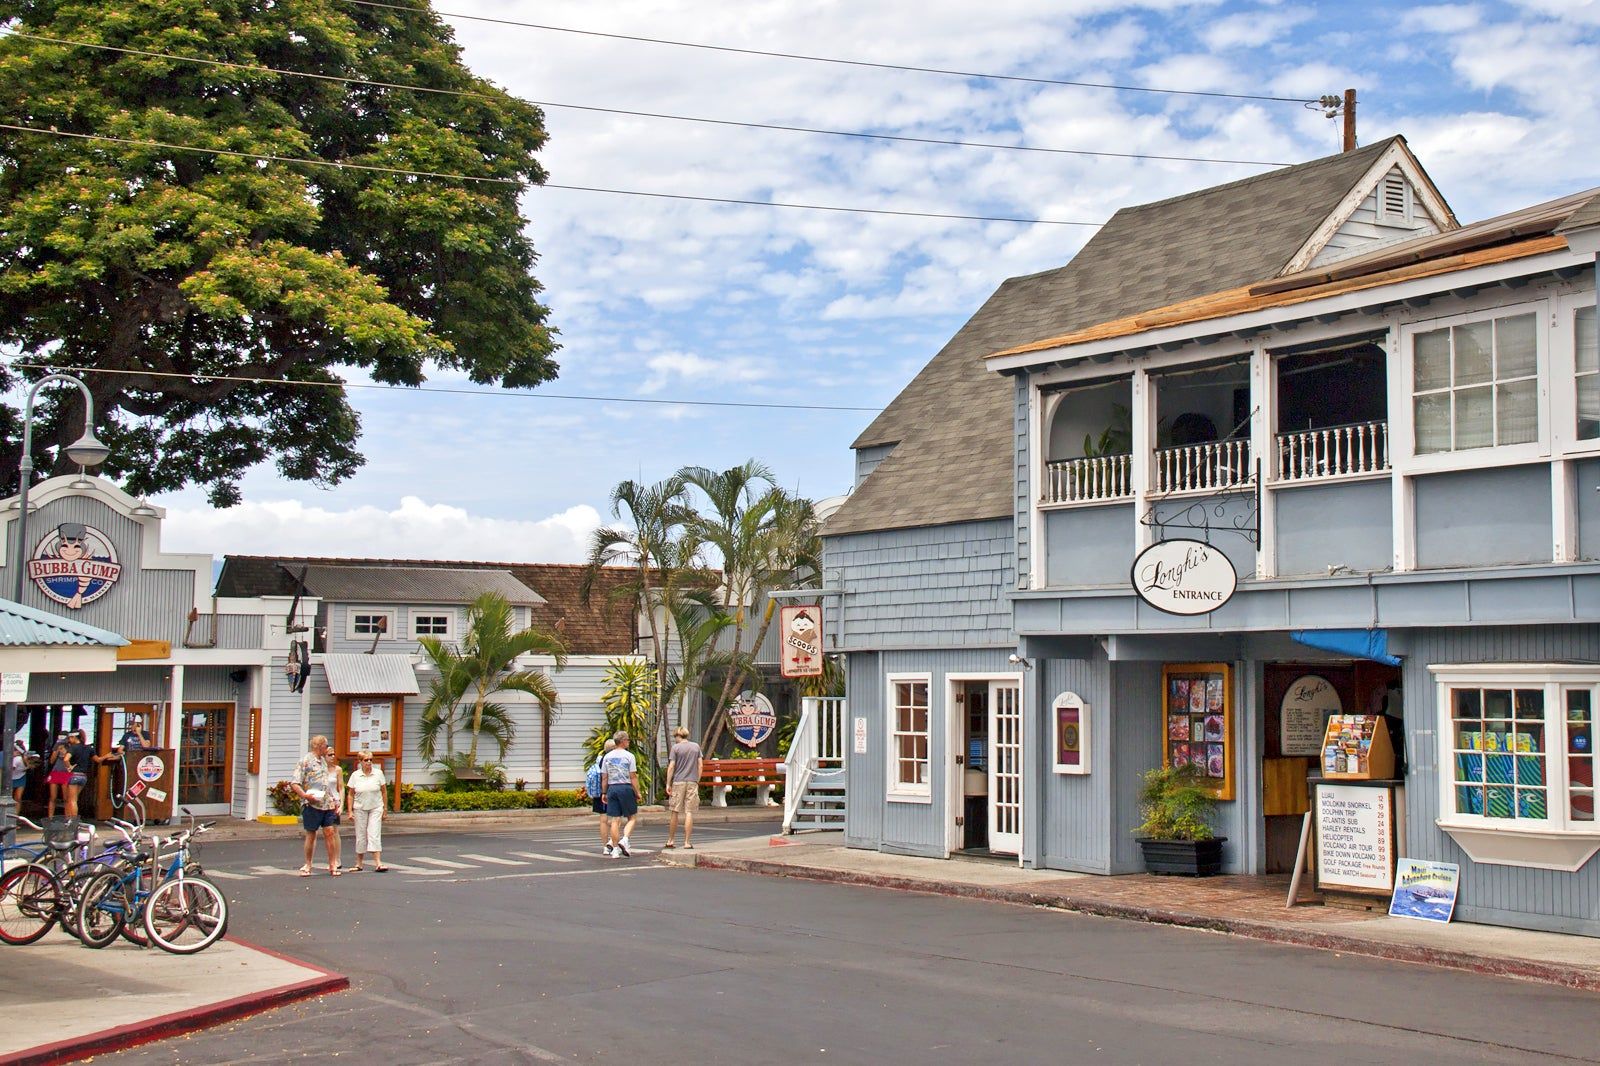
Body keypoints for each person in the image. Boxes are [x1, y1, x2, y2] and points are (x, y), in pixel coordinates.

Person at [291, 735, 343, 876]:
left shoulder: (324, 761)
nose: (327, 748)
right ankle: (308, 864)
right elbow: (295, 783)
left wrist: (335, 800)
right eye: (325, 746)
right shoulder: (305, 761)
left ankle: (332, 865)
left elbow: (326, 783)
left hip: (327, 802)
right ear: (319, 746)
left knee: (330, 832)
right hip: (312, 803)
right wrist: (305, 796)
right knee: (311, 833)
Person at [344, 750, 388, 872]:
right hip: (360, 808)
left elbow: (384, 791)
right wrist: (350, 811)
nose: (369, 762)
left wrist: (385, 809)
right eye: (366, 760)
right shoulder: (355, 775)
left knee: (374, 833)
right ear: (360, 761)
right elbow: (350, 794)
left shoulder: (378, 773)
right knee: (361, 835)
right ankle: (359, 863)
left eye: (370, 760)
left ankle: (378, 862)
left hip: (376, 807)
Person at [601, 730, 640, 858]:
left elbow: (604, 777)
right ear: (623, 741)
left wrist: (604, 792)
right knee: (632, 817)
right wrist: (637, 792)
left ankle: (615, 849)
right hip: (625, 787)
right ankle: (625, 839)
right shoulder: (629, 756)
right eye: (627, 740)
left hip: (612, 788)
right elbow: (633, 776)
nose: (628, 742)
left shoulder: (607, 757)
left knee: (614, 820)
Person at [663, 726, 702, 850]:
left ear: (677, 736)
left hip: (678, 781)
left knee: (675, 811)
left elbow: (671, 766)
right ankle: (687, 842)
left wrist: (668, 783)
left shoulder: (676, 748)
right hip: (692, 781)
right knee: (689, 811)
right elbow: (700, 765)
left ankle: (671, 840)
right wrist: (697, 780)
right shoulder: (696, 747)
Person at [588, 738, 616, 855]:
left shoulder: (599, 760)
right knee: (615, 819)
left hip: (599, 792)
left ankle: (605, 846)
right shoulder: (611, 760)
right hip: (609, 791)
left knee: (603, 820)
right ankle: (612, 844)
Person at [45, 736, 70, 818]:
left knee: (66, 798)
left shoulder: (70, 747)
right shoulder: (57, 746)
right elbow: (51, 761)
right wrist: (56, 751)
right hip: (56, 771)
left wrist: (65, 753)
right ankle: (50, 817)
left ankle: (67, 818)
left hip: (66, 772)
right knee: (53, 797)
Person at [10, 739, 27, 809]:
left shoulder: (22, 758)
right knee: (10, 797)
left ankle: (15, 814)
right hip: (11, 778)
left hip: (21, 777)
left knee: (18, 798)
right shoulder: (16, 759)